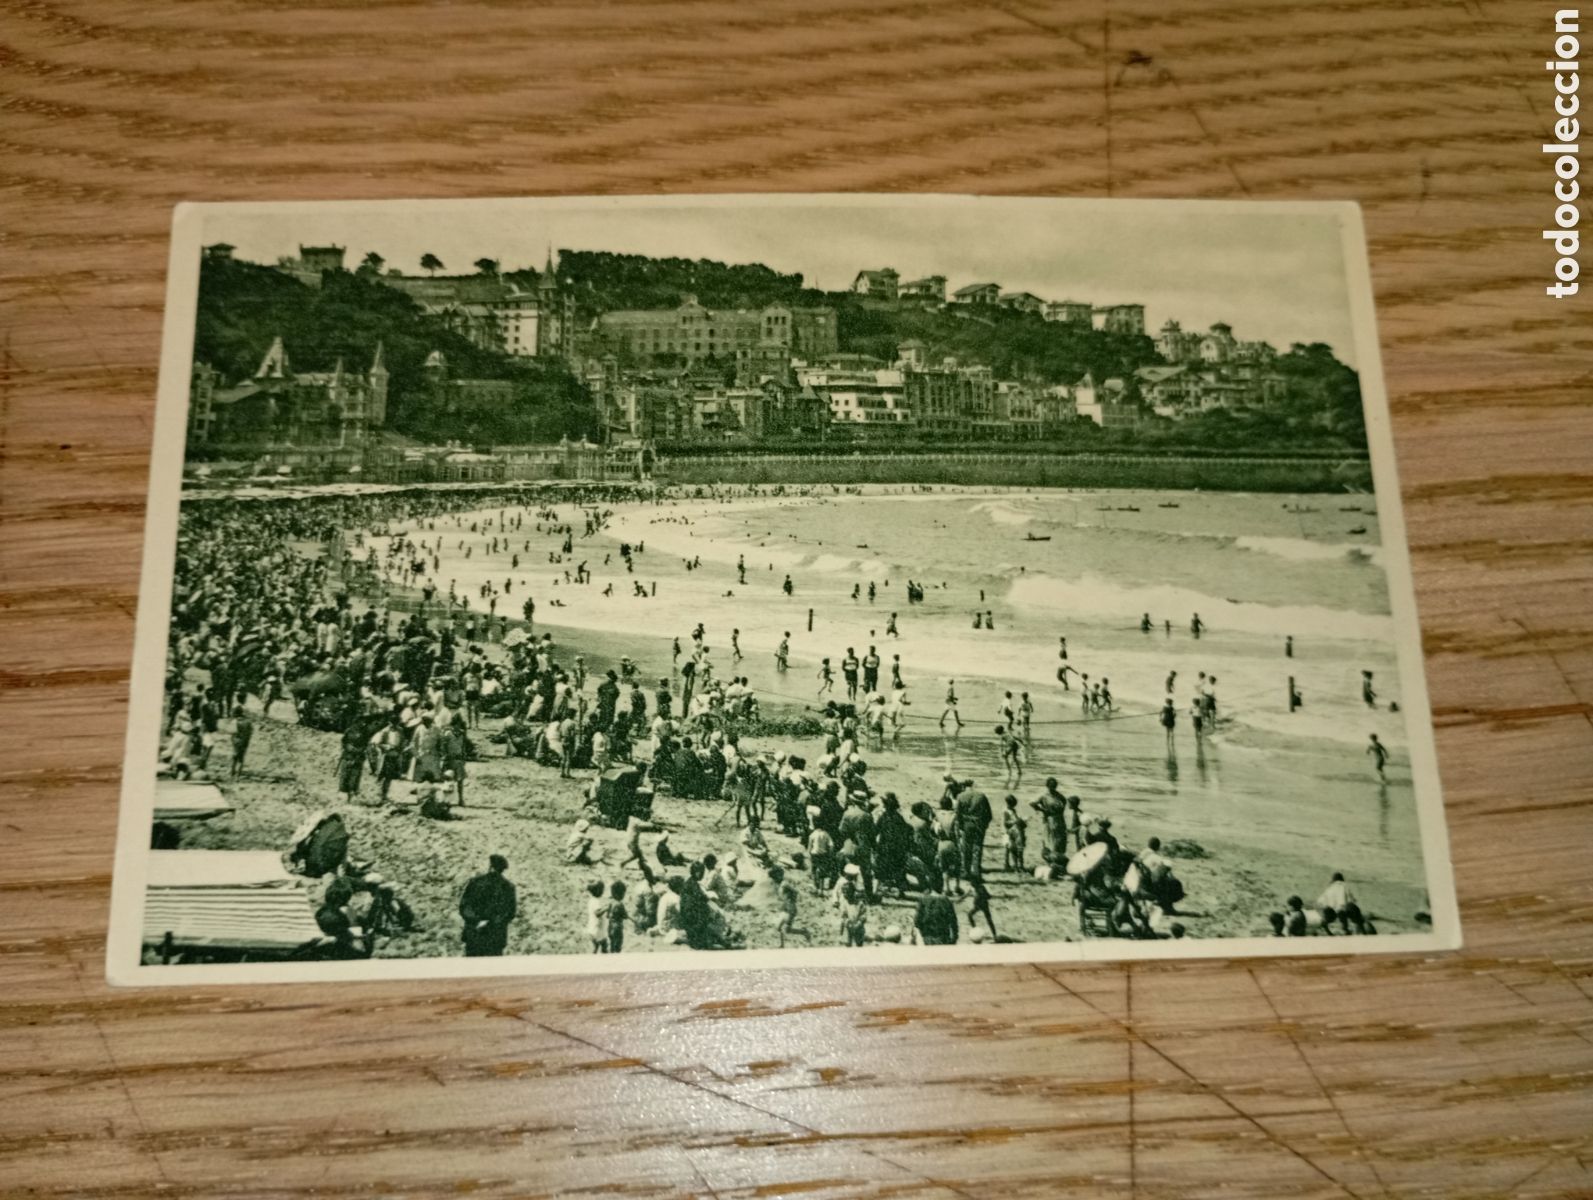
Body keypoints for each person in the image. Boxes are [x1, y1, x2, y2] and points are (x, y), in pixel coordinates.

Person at [459, 854, 516, 956]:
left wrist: (478, 921)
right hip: (494, 937)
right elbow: (509, 913)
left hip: (474, 934)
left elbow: (465, 907)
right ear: (503, 869)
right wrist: (490, 923)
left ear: (490, 866)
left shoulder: (475, 882)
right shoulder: (508, 887)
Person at [228, 705, 254, 779]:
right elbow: (250, 732)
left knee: (234, 757)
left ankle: (232, 772)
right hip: (244, 741)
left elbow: (231, 732)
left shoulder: (234, 721)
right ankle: (238, 774)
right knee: (241, 758)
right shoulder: (248, 721)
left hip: (236, 741)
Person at [1002, 794, 1027, 873]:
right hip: (1008, 831)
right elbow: (1005, 822)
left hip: (1013, 831)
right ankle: (1007, 864)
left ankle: (1012, 864)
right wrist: (1016, 821)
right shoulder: (1005, 811)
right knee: (1009, 848)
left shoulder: (1013, 810)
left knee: (1011, 848)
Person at [606, 880, 629, 953]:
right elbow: (625, 916)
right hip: (618, 928)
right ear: (622, 894)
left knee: (612, 944)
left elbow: (607, 916)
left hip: (610, 926)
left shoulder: (611, 903)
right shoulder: (620, 904)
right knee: (618, 945)